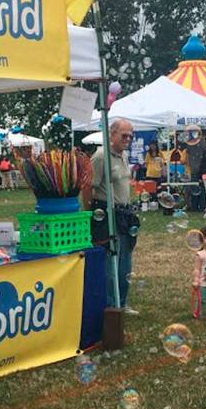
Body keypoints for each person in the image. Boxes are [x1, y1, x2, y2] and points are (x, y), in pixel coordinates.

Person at [87, 119, 139, 313]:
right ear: (112, 134)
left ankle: (122, 303)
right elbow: (88, 186)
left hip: (124, 214)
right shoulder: (101, 156)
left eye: (130, 136)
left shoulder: (123, 156)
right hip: (107, 214)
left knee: (125, 262)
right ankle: (110, 307)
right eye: (124, 135)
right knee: (111, 264)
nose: (128, 139)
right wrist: (89, 213)